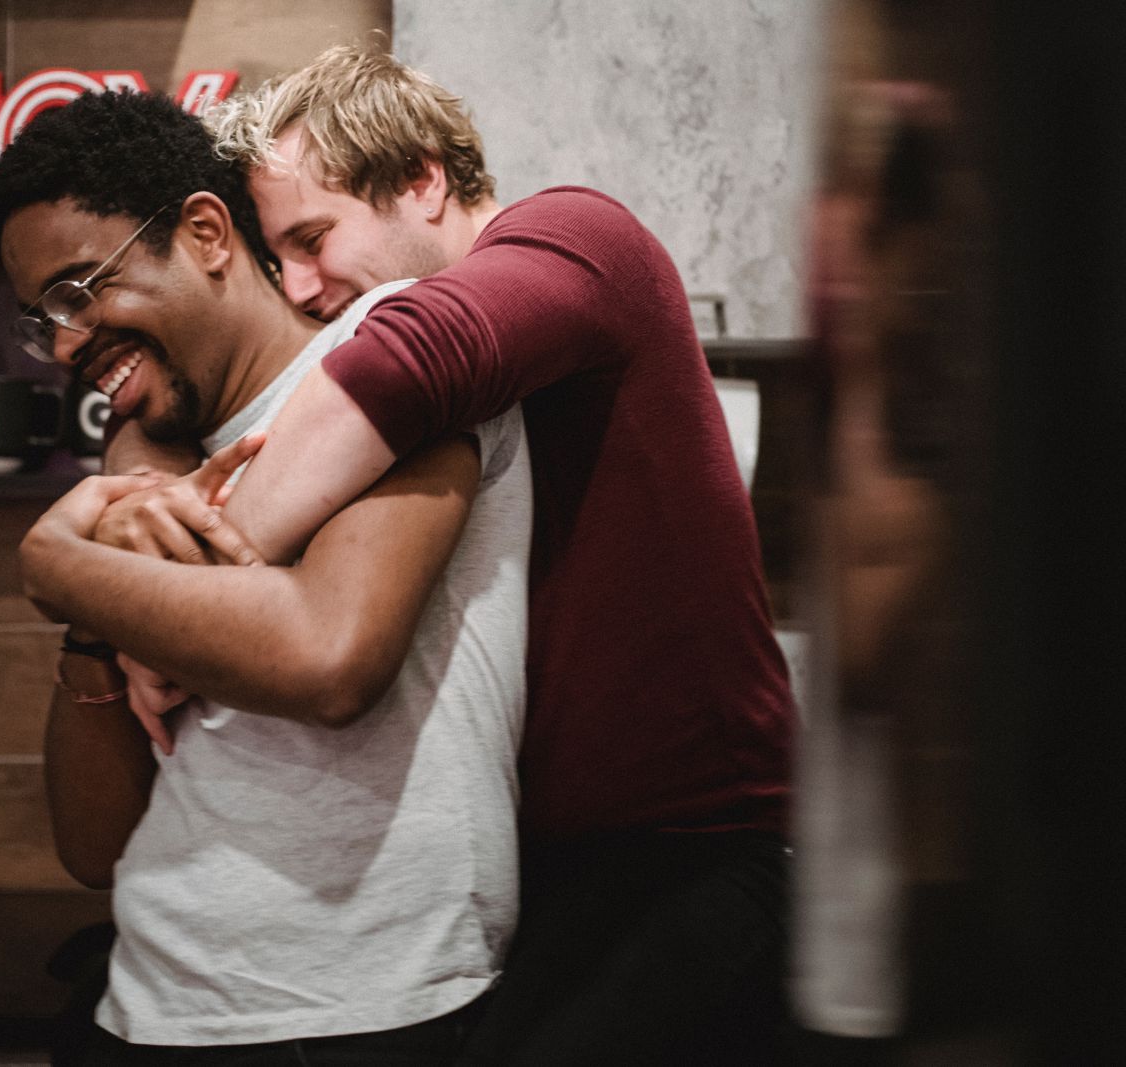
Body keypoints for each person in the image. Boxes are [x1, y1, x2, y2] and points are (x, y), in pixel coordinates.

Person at [170, 45, 795, 1063]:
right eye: (277, 257)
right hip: (551, 867)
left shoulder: (581, 235)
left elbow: (415, 352)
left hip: (699, 854)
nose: (300, 283)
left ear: (421, 179)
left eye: (314, 236)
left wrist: (171, 609)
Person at [0, 89, 531, 1064]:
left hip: (368, 1007)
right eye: (42, 320)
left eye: (78, 290)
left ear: (202, 230)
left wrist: (62, 566)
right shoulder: (141, 458)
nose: (64, 345)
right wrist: (90, 624)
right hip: (143, 1006)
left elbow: (330, 662)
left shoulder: (392, 358)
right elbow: (95, 848)